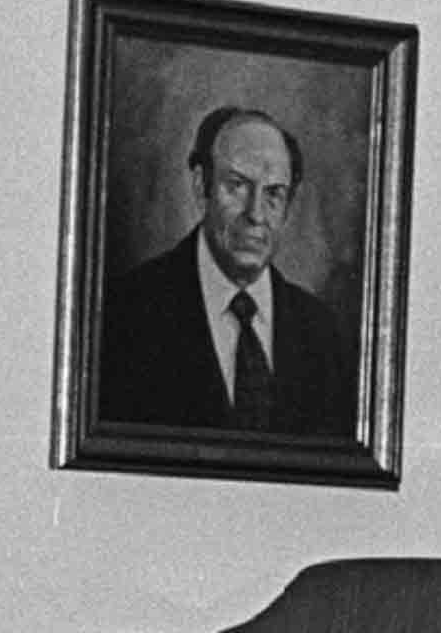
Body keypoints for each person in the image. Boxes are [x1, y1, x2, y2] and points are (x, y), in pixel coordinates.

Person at [98, 105, 357, 435]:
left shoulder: (322, 334)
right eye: (236, 186)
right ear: (200, 185)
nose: (256, 214)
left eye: (274, 194)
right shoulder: (125, 313)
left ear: (289, 204)